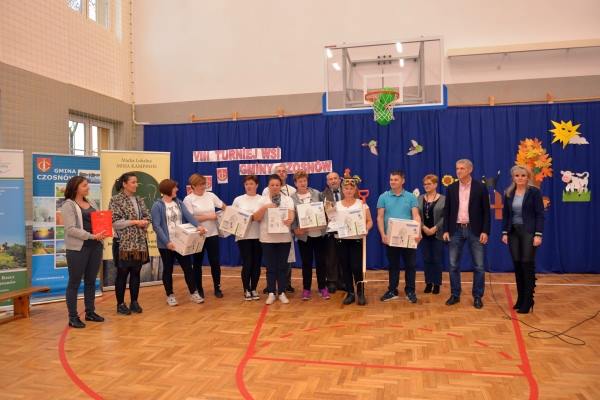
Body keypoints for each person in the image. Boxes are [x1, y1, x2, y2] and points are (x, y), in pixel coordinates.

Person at [442, 159, 490, 309]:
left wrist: (485, 231)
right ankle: (455, 294)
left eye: (462, 168)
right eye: (457, 168)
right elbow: (447, 211)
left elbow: (486, 212)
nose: (459, 171)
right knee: (453, 265)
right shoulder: (451, 188)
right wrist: (445, 230)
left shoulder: (480, 187)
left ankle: (477, 296)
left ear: (470, 170)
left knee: (479, 266)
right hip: (455, 229)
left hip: (474, 230)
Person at [151, 179, 207, 306]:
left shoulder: (179, 202)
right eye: (174, 188)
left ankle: (194, 293)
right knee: (168, 269)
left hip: (181, 243)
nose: (177, 189)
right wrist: (167, 242)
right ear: (167, 189)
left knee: (188, 268)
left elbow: (189, 216)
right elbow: (156, 226)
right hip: (166, 245)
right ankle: (170, 295)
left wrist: (198, 226)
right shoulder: (157, 206)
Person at [62, 176, 107, 328]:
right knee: (74, 283)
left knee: (91, 281)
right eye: (85, 185)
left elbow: (98, 221)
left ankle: (90, 312)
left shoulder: (91, 202)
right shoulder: (68, 205)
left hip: (96, 246)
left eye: (87, 185)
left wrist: (104, 230)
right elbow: (70, 229)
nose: (88, 187)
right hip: (78, 248)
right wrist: (91, 236)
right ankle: (73, 317)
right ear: (76, 188)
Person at [501, 165, 544, 314]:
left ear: (528, 177)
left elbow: (540, 214)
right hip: (513, 232)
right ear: (513, 177)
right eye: (517, 176)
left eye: (523, 176)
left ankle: (528, 300)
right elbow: (506, 215)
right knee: (518, 265)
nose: (520, 178)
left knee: (527, 264)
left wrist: (538, 234)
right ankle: (520, 299)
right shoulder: (508, 193)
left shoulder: (534, 192)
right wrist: (505, 232)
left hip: (529, 232)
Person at [109, 172, 152, 315]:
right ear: (124, 184)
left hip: (139, 241)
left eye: (136, 182)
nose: (136, 185)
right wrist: (135, 222)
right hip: (123, 243)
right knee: (122, 273)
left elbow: (147, 215)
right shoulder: (116, 200)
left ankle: (134, 302)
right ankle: (120, 304)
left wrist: (145, 222)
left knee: (136, 272)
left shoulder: (139, 199)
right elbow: (115, 222)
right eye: (133, 182)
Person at [377, 171, 422, 304]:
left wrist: (418, 232)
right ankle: (392, 290)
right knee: (393, 265)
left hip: (409, 238)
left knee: (410, 265)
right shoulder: (383, 197)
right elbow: (380, 217)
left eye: (396, 179)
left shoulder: (411, 197)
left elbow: (416, 216)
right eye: (391, 179)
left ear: (403, 181)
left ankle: (410, 291)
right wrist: (383, 234)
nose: (393, 182)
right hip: (391, 238)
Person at [183, 173, 226, 299]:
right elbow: (190, 218)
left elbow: (223, 206)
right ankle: (199, 288)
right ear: (193, 186)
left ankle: (217, 287)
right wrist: (209, 216)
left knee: (215, 262)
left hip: (212, 234)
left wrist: (228, 215)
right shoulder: (188, 199)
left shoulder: (211, 195)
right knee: (197, 263)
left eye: (204, 184)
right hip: (198, 235)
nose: (203, 187)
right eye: (200, 185)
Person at [254, 174, 295, 305]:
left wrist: (290, 220)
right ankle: (271, 292)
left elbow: (291, 215)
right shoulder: (262, 200)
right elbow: (256, 218)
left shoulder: (287, 199)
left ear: (281, 186)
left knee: (282, 267)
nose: (275, 187)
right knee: (270, 267)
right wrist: (265, 207)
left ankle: (282, 292)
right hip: (267, 239)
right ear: (268, 186)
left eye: (277, 185)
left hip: (284, 238)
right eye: (272, 185)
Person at [290, 171, 329, 301]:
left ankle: (322, 287)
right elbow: (292, 217)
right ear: (295, 183)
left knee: (321, 262)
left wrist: (326, 219)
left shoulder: (317, 193)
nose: (303, 183)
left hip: (319, 234)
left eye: (304, 180)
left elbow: (326, 209)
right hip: (304, 236)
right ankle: (306, 289)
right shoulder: (292, 198)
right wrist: (295, 229)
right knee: (306, 263)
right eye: (300, 181)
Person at [334, 177, 373, 306]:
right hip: (341, 240)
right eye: (346, 188)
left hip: (356, 240)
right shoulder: (337, 205)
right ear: (342, 190)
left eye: (351, 188)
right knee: (345, 267)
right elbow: (333, 222)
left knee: (356, 267)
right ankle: (350, 293)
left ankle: (360, 293)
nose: (349, 190)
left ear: (355, 189)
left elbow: (370, 221)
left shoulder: (361, 204)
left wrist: (366, 228)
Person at [262, 163, 296, 292]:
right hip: (270, 230)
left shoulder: (292, 190)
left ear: (286, 174)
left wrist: (291, 221)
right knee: (271, 260)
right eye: (279, 171)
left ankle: (286, 284)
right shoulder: (266, 190)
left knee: (287, 258)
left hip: (286, 229)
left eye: (283, 171)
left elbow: (293, 209)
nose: (281, 173)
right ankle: (270, 286)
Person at [231, 175, 263, 301]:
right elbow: (233, 217)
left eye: (251, 183)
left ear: (257, 185)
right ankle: (246, 289)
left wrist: (255, 217)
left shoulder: (262, 199)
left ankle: (254, 288)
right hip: (243, 236)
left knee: (256, 263)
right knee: (247, 262)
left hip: (259, 235)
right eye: (246, 184)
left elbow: (264, 217)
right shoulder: (238, 200)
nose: (249, 186)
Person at [417, 174, 446, 294]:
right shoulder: (419, 198)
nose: (426, 186)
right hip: (423, 233)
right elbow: (416, 215)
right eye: (425, 184)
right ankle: (428, 283)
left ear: (435, 185)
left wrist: (435, 228)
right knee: (427, 259)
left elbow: (445, 216)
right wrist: (423, 227)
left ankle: (437, 284)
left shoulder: (443, 199)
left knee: (437, 259)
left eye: (429, 184)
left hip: (437, 234)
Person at [321, 171, 344, 293]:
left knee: (343, 256)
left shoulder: (347, 192)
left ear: (339, 180)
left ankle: (343, 280)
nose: (333, 181)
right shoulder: (322, 195)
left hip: (345, 230)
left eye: (335, 178)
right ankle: (331, 281)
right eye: (330, 179)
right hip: (330, 230)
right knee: (331, 257)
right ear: (327, 182)